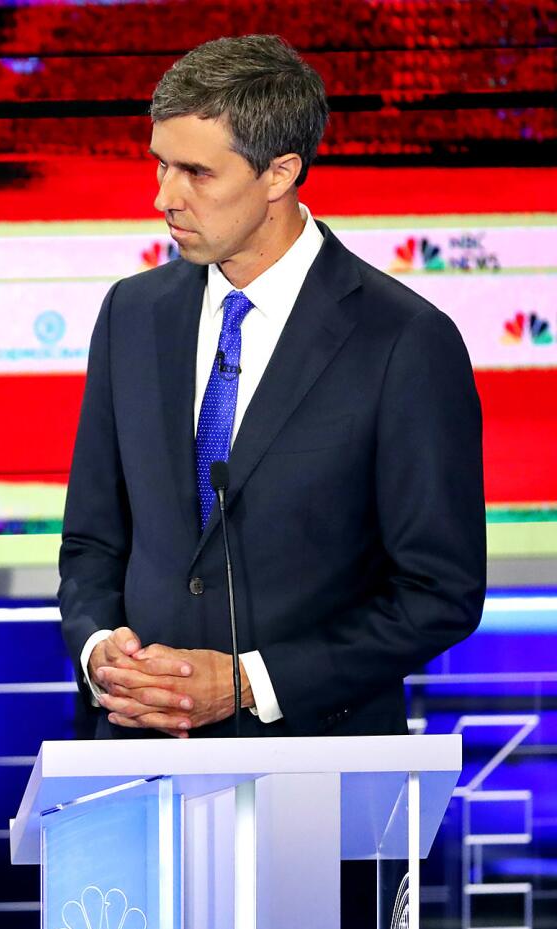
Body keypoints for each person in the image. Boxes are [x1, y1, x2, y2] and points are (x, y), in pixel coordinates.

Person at [59, 35, 485, 741]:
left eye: (197, 172)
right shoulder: (131, 314)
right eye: (161, 165)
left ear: (280, 173)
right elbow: (92, 542)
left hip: (317, 769)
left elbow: (438, 594)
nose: (164, 196)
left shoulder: (403, 340)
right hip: (135, 757)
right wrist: (100, 648)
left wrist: (251, 682)